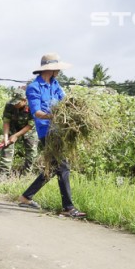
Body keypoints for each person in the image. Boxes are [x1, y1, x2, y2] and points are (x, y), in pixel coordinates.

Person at [18, 53, 86, 218]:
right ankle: (68, 207)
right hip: (46, 131)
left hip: (58, 130)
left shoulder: (55, 84)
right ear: (50, 69)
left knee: (55, 167)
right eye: (57, 68)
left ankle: (26, 197)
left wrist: (76, 109)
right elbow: (37, 113)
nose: (59, 71)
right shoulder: (35, 87)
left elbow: (64, 102)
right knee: (63, 167)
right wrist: (55, 116)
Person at [0, 88, 37, 176]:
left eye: (17, 102)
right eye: (14, 101)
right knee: (6, 146)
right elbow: (6, 121)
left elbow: (31, 125)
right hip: (13, 127)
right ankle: (3, 175)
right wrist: (6, 137)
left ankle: (26, 175)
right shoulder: (9, 105)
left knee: (31, 152)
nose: (15, 104)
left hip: (29, 130)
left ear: (24, 100)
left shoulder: (33, 106)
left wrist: (16, 136)